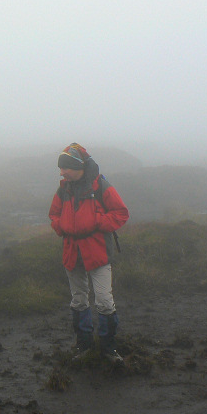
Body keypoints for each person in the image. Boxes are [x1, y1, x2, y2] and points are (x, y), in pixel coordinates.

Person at [48, 143, 129, 361]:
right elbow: (54, 214)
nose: (62, 172)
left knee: (104, 301)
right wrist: (60, 227)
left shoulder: (100, 186)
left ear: (79, 167)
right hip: (72, 252)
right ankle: (83, 345)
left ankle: (107, 348)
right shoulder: (64, 189)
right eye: (61, 168)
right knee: (79, 300)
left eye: (66, 168)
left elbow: (121, 213)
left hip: (98, 253)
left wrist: (98, 222)